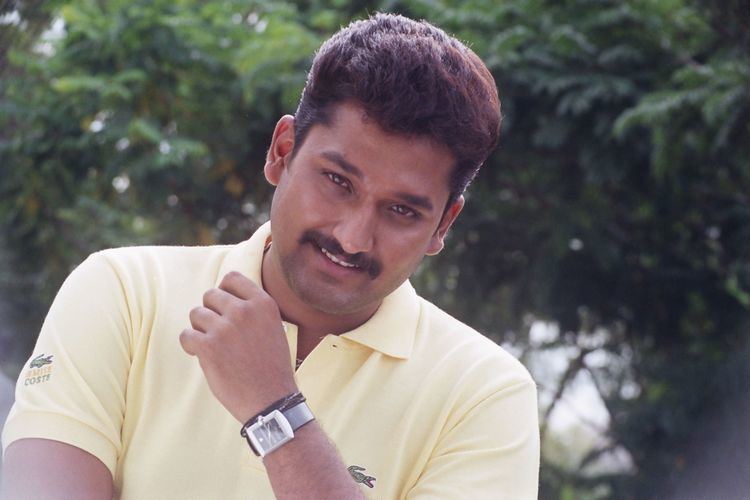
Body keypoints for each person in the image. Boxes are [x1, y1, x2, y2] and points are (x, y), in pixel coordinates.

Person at [1, 12, 539, 499]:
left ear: (442, 224)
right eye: (337, 181)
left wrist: (275, 410)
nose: (353, 237)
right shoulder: (123, 293)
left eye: (401, 211)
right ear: (283, 152)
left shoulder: (485, 394)